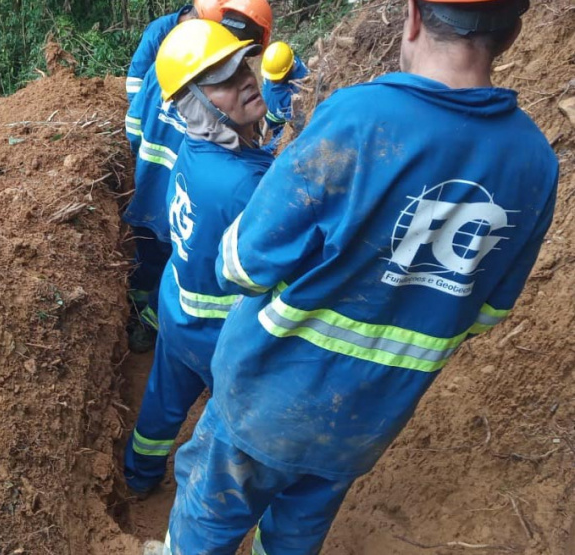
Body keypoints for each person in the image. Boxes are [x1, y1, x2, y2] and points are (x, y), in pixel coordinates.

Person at [161, 0, 557, 553]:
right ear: (514, 31)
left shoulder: (360, 121)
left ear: (413, 16)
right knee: (298, 529)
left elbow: (242, 266)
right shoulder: (535, 162)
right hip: (368, 417)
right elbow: (488, 311)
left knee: (209, 521)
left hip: (266, 396)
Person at [123, 19, 275, 496]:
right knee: (239, 423)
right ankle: (213, 501)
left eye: (243, 66)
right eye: (225, 80)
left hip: (178, 309)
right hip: (218, 336)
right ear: (195, 102)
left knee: (163, 404)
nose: (247, 78)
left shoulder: (192, 147)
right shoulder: (244, 186)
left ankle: (137, 476)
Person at [124, 0, 274, 352]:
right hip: (193, 197)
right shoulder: (238, 173)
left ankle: (142, 316)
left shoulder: (166, 70)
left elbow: (133, 125)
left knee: (154, 259)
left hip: (155, 190)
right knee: (179, 261)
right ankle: (149, 320)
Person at [125, 0, 224, 104]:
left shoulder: (204, 37)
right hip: (155, 101)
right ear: (194, 19)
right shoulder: (159, 30)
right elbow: (136, 77)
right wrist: (138, 109)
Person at [260, 40, 310, 151]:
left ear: (288, 70)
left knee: (276, 141)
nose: (271, 80)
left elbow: (291, 128)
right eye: (269, 77)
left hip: (281, 123)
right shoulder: (278, 63)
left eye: (275, 78)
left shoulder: (296, 90)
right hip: (271, 116)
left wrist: (269, 149)